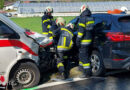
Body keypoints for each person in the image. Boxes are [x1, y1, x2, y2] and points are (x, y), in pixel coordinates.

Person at [76, 5, 95, 78]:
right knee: (83, 55)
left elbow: (81, 31)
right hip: (89, 40)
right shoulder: (90, 18)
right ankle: (82, 69)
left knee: (84, 56)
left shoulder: (83, 18)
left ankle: (87, 73)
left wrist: (78, 40)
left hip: (84, 41)